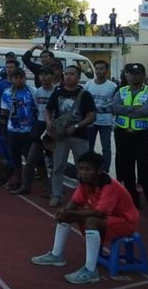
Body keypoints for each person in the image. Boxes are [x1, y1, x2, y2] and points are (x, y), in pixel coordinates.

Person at [31, 151, 139, 285]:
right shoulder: (84, 183)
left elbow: (100, 213)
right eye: (81, 169)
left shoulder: (110, 186)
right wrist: (65, 212)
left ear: (99, 171)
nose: (83, 173)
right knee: (67, 216)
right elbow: (75, 202)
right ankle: (56, 255)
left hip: (126, 221)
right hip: (108, 219)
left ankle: (90, 271)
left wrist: (71, 214)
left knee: (91, 220)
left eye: (88, 169)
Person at [112, 63, 148, 216]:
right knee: (125, 170)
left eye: (137, 73)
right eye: (131, 73)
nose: (134, 76)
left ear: (143, 75)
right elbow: (115, 108)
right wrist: (136, 109)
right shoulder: (121, 90)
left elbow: (147, 110)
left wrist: (126, 110)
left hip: (142, 135)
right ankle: (132, 201)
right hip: (122, 135)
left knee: (147, 170)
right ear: (126, 74)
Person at [44, 65, 97, 207]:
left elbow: (91, 116)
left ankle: (84, 198)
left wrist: (77, 126)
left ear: (78, 77)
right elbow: (48, 110)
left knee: (84, 169)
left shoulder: (85, 94)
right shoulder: (58, 92)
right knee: (58, 166)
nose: (68, 76)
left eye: (72, 74)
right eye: (66, 74)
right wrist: (49, 122)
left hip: (80, 136)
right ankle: (56, 195)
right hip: (61, 136)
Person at [12, 66, 56, 196]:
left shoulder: (56, 92)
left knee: (55, 160)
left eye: (46, 74)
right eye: (41, 75)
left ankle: (52, 189)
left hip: (53, 128)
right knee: (32, 158)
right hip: (39, 126)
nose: (43, 78)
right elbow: (36, 108)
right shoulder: (37, 92)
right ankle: (26, 185)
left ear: (52, 76)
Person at [0, 68, 38, 190]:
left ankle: (28, 180)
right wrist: (3, 129)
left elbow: (37, 109)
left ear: (24, 78)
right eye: (16, 77)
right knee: (15, 156)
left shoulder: (32, 92)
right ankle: (17, 178)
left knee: (29, 157)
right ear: (12, 79)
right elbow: (4, 112)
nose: (18, 80)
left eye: (21, 77)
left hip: (29, 130)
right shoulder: (7, 93)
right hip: (12, 130)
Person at [85, 60, 116, 172]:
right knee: (89, 147)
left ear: (106, 71)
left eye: (101, 68)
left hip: (106, 122)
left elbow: (115, 104)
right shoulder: (89, 84)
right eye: (96, 68)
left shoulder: (112, 86)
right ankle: (90, 167)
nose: (98, 71)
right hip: (90, 121)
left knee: (106, 148)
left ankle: (105, 169)